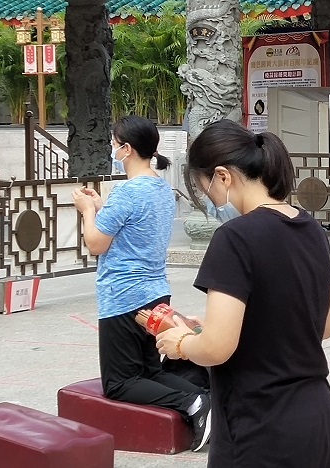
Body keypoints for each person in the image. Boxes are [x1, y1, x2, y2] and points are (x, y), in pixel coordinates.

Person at [155, 119, 330, 467]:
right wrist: (213, 328)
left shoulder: (235, 237)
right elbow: (323, 325)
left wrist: (182, 343)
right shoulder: (312, 229)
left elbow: (216, 348)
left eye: (206, 188)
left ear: (223, 176)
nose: (210, 199)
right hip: (319, 422)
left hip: (261, 427)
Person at [72, 115, 212, 452]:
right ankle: (207, 397)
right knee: (148, 371)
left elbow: (95, 243)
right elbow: (130, 226)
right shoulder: (161, 189)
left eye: (114, 141)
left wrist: (86, 211)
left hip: (122, 296)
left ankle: (198, 401)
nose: (112, 147)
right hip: (154, 292)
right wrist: (100, 206)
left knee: (120, 384)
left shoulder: (127, 192)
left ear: (127, 148)